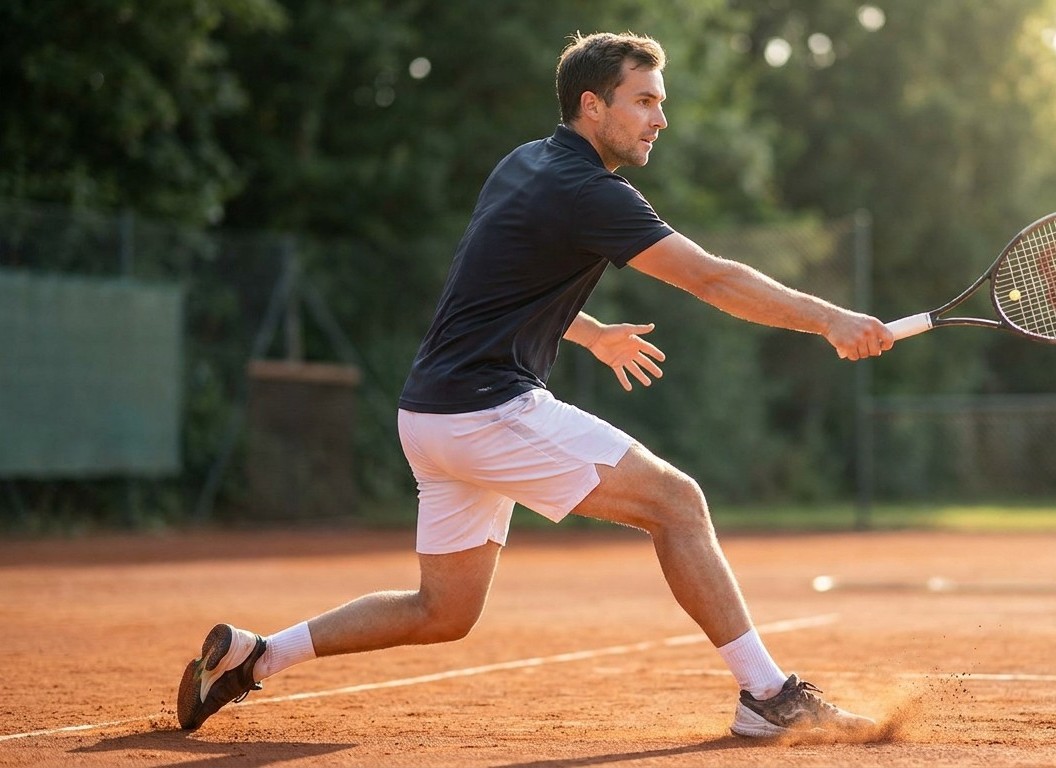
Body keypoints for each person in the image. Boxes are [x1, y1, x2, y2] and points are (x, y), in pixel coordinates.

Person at [177, 31, 894, 740]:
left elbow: (495, 281)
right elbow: (710, 277)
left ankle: (255, 657)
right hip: (485, 410)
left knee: (443, 612)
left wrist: (589, 331)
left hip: (428, 417)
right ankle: (766, 696)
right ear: (592, 105)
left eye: (660, 102)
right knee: (677, 504)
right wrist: (830, 319)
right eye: (643, 101)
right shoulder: (591, 191)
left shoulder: (525, 163)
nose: (659, 119)